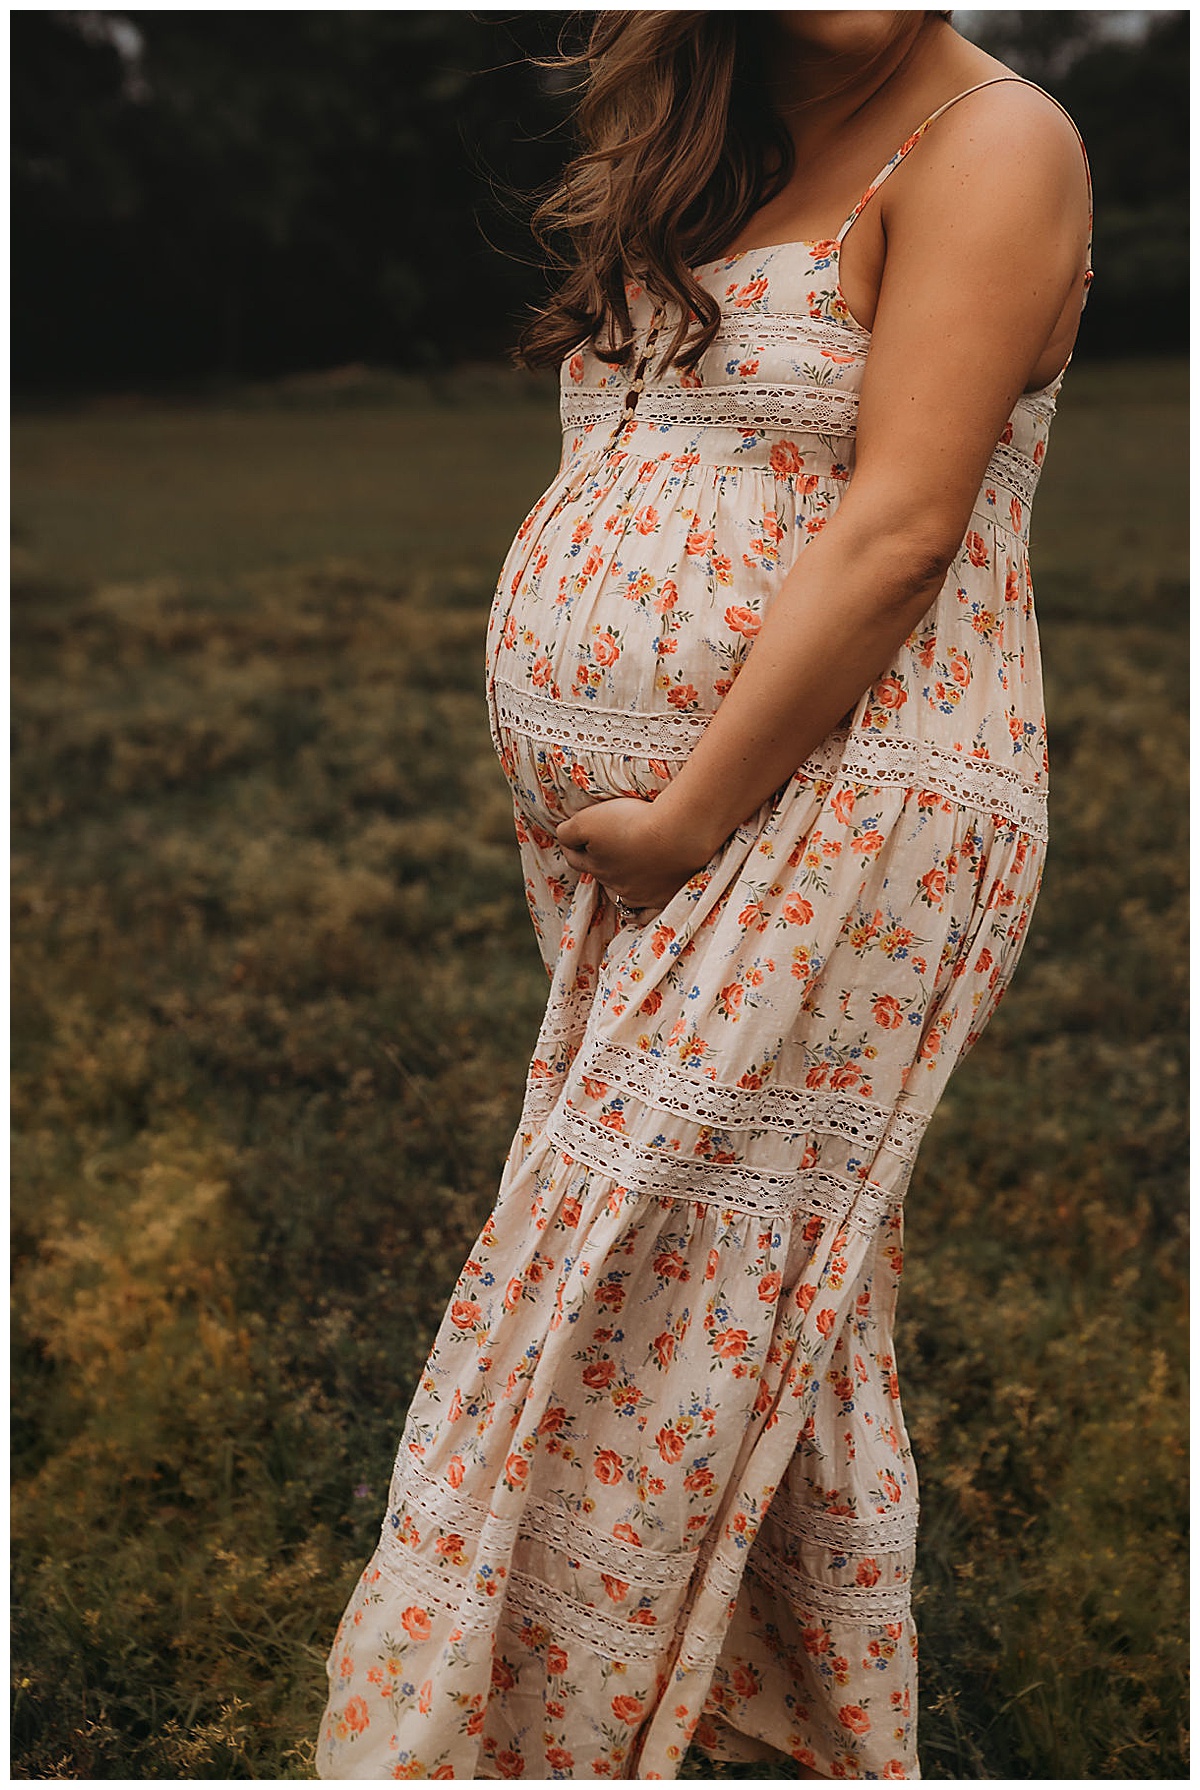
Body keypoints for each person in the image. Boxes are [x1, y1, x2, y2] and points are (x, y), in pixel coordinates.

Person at [315, 10, 1093, 1780]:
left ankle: (486, 1741)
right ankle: (791, 1740)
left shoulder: (992, 144)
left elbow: (902, 526)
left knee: (598, 1289)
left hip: (840, 817)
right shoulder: (715, 137)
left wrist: (681, 816)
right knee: (750, 1312)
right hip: (680, 829)